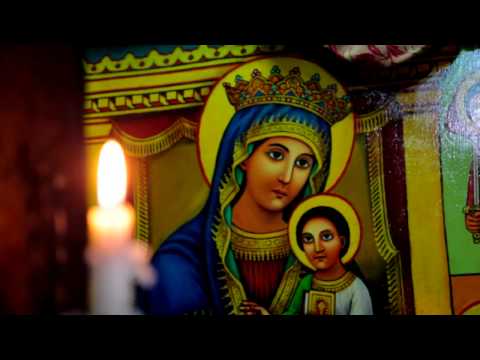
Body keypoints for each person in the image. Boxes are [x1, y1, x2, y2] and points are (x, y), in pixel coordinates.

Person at [137, 62, 352, 315]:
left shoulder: (323, 251)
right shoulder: (182, 259)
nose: (287, 176)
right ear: (243, 156)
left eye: (303, 163)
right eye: (275, 155)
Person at [240, 202, 373, 315]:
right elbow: (292, 313)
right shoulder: (307, 282)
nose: (317, 248)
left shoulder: (356, 288)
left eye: (326, 237)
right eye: (308, 239)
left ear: (342, 242)